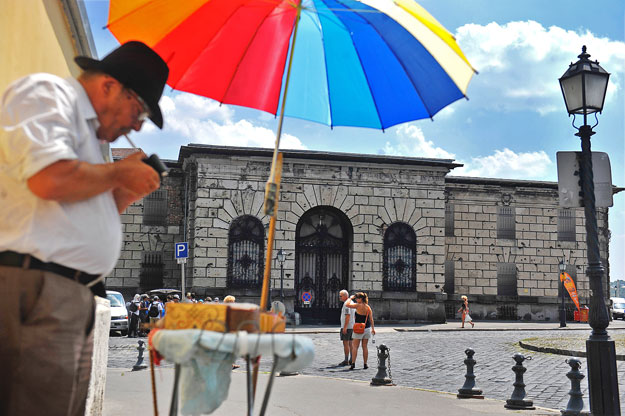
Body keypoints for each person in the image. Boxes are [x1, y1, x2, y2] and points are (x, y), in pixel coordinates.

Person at [0, 41, 168, 415]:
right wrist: (118, 172)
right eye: (139, 110)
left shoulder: (91, 139)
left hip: (69, 294)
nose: (138, 125)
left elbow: (78, 209)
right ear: (109, 86)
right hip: (38, 285)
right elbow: (48, 179)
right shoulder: (49, 94)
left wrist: (123, 193)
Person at [345, 292, 375, 370]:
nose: (356, 299)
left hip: (358, 329)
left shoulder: (358, 305)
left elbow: (347, 304)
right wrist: (373, 329)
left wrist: (350, 298)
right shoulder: (368, 307)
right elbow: (371, 319)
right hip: (367, 328)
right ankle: (365, 364)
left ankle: (353, 363)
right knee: (365, 347)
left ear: (360, 299)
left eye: (357, 298)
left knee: (355, 347)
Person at [338, 289, 354, 366]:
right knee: (351, 343)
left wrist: (345, 327)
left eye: (340, 296)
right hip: (352, 326)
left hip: (347, 327)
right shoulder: (352, 302)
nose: (339, 297)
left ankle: (346, 360)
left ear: (345, 296)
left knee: (346, 343)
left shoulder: (346, 304)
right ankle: (351, 359)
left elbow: (347, 316)